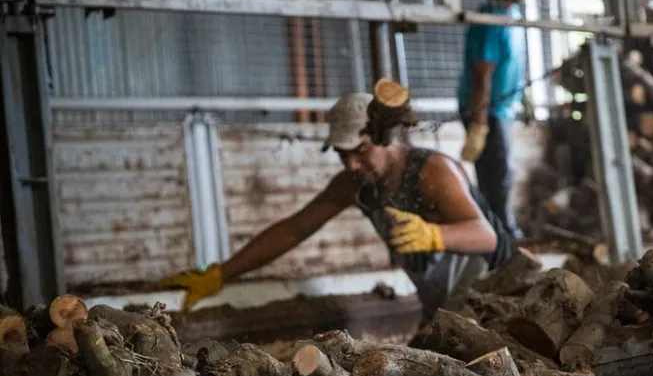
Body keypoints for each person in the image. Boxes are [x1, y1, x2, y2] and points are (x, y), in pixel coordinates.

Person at [158, 80, 515, 323]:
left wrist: (435, 236)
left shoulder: (433, 172)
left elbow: (488, 237)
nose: (352, 164)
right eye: (343, 155)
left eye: (360, 151)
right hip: (444, 307)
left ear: (383, 135)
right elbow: (294, 229)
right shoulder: (355, 185)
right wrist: (223, 273)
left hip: (498, 292)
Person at [458, 0, 529, 240]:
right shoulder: (488, 20)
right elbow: (482, 75)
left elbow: (514, 65)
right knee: (495, 178)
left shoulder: (512, 15)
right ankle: (500, 239)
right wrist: (479, 123)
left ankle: (504, 231)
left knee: (503, 174)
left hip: (505, 110)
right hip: (487, 112)